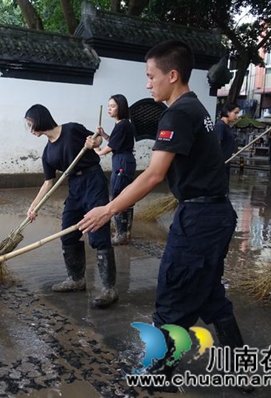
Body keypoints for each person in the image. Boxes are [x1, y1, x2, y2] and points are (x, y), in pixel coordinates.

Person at [78, 41, 250, 388]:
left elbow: (154, 174)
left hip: (200, 221)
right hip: (214, 215)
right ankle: (242, 371)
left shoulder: (178, 113)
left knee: (173, 292)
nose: (147, 84)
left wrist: (109, 209)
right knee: (210, 295)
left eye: (150, 76)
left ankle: (160, 372)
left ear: (172, 75)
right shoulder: (196, 108)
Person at [25, 104, 117, 308]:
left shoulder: (72, 129)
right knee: (68, 233)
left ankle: (109, 289)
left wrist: (94, 143)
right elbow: (48, 183)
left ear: (41, 119)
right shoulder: (48, 153)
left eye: (31, 125)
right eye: (28, 126)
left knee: (97, 231)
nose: (31, 130)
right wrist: (34, 207)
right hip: (74, 187)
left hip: (93, 180)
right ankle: (76, 279)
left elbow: (97, 139)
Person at [95, 94, 136, 245]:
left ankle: (120, 235)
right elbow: (115, 141)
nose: (109, 109)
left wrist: (98, 151)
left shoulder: (122, 125)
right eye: (108, 106)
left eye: (112, 106)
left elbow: (111, 147)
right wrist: (104, 134)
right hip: (125, 161)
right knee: (126, 196)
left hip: (122, 162)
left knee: (118, 196)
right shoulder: (124, 124)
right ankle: (126, 233)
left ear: (121, 107)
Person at [215, 102, 240, 187]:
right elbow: (216, 145)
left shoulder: (228, 127)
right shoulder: (220, 125)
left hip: (227, 161)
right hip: (220, 163)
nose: (236, 116)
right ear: (227, 112)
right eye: (235, 113)